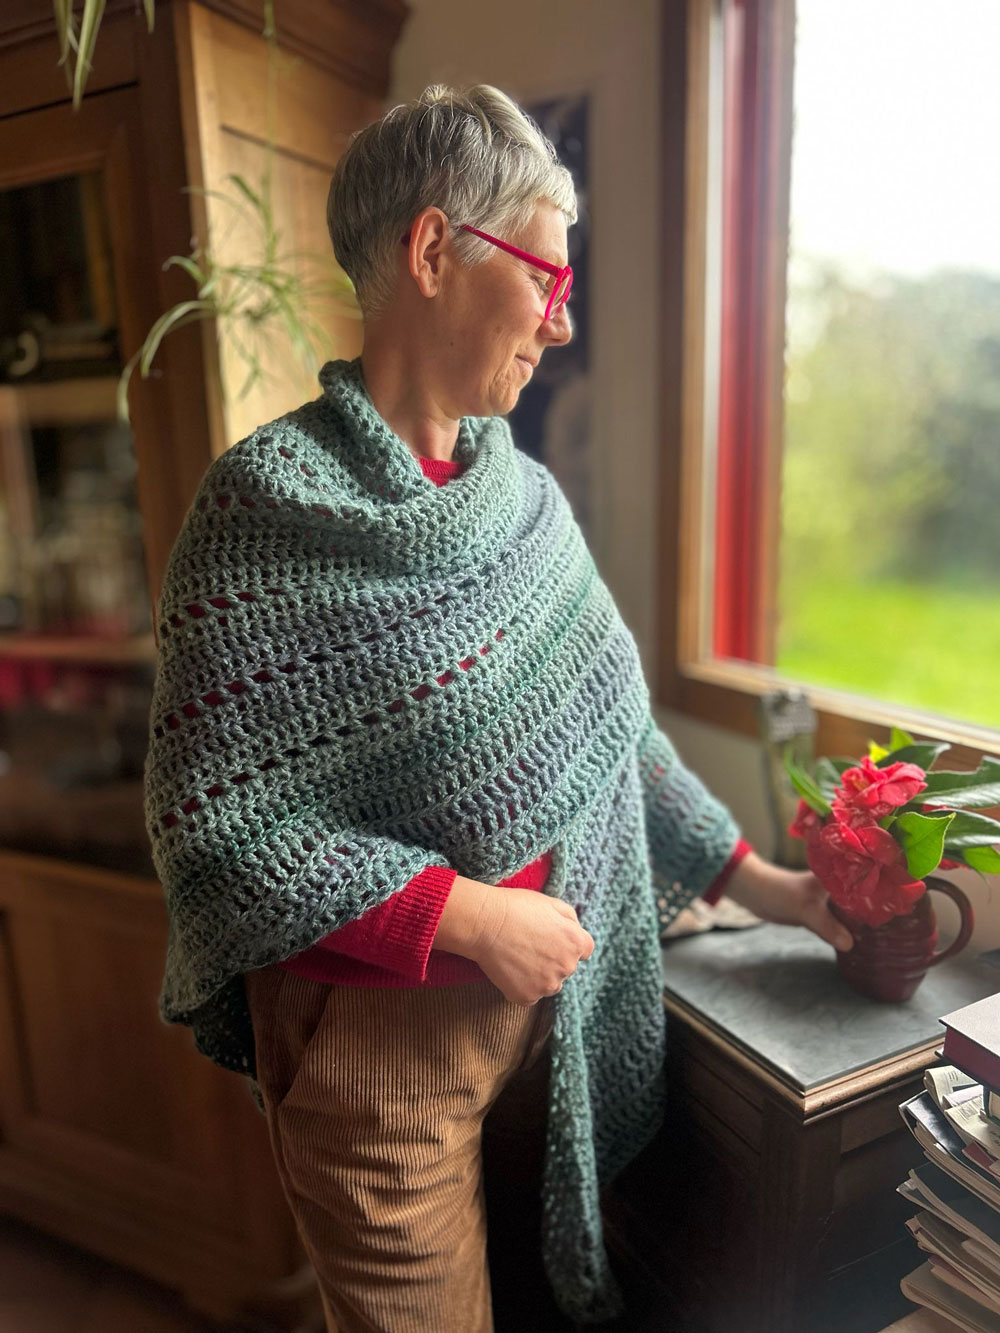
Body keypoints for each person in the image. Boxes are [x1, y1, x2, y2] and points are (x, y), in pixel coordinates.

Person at [144, 84, 853, 1333]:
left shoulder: (524, 501)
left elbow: (612, 738)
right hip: (375, 1055)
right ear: (433, 251)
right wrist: (469, 916)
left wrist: (777, 891)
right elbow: (217, 833)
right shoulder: (260, 512)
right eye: (545, 276)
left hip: (547, 1019)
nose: (560, 320)